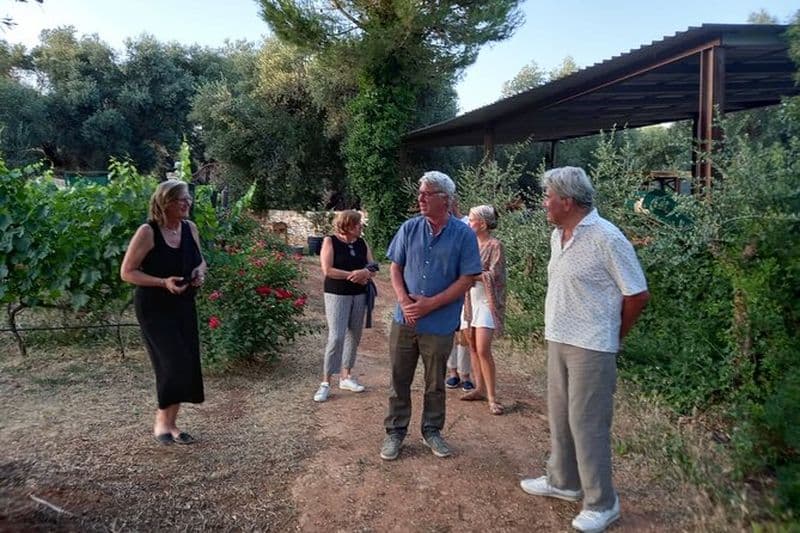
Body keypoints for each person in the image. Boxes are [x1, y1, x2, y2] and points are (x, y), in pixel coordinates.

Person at [519, 167, 650, 532]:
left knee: (587, 424)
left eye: (548, 197)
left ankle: (602, 502)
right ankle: (563, 482)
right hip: (558, 337)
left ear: (567, 201)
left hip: (592, 345)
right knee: (560, 416)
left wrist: (613, 336)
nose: (544, 203)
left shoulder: (607, 237)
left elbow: (637, 294)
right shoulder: (557, 235)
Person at [380, 171, 482, 461]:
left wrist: (430, 304)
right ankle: (395, 433)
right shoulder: (409, 228)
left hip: (439, 324)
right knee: (399, 378)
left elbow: (467, 279)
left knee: (435, 382)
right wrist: (403, 300)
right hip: (405, 321)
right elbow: (395, 267)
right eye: (420, 193)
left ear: (445, 200)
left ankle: (431, 431)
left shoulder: (463, 235)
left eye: (427, 193)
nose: (420, 198)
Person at [120, 179, 207, 445]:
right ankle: (162, 421)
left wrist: (199, 272)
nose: (187, 203)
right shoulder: (148, 232)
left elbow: (201, 260)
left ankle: (171, 424)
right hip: (154, 308)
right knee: (173, 362)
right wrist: (162, 282)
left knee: (186, 363)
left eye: (188, 198)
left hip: (183, 303)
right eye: (181, 199)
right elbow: (127, 272)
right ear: (165, 201)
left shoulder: (190, 228)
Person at [314, 210, 376, 402]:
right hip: (337, 294)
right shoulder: (330, 241)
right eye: (358, 224)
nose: (360, 227)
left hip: (359, 295)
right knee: (336, 337)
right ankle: (325, 382)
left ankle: (346, 376)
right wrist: (355, 275)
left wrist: (365, 272)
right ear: (347, 225)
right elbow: (328, 270)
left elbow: (373, 266)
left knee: (354, 335)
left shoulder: (361, 243)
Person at [460, 205, 506, 415]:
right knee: (472, 346)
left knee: (483, 348)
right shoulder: (468, 244)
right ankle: (479, 388)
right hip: (469, 299)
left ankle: (493, 397)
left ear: (483, 224)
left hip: (486, 301)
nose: (468, 223)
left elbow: (495, 274)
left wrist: (470, 276)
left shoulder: (495, 245)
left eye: (471, 220)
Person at [445, 198, 474, 392]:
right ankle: (452, 372)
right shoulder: (442, 226)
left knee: (464, 332)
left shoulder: (467, 224)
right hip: (447, 285)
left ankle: (465, 374)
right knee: (450, 330)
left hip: (466, 286)